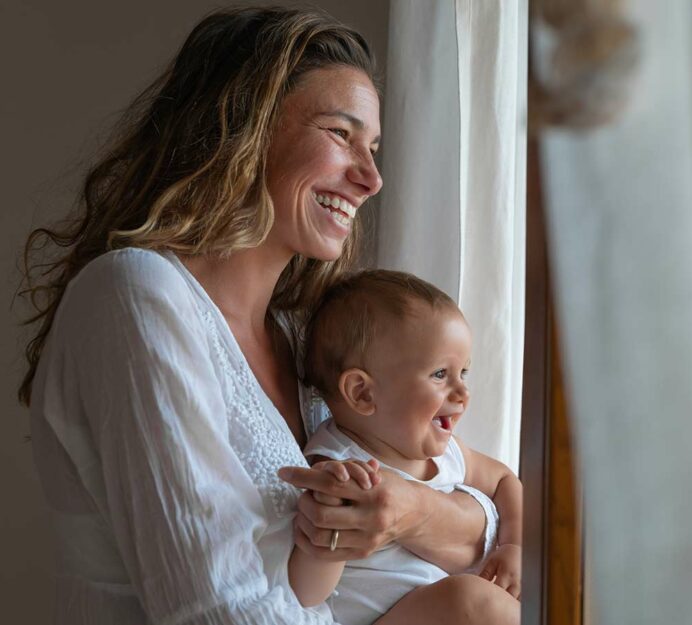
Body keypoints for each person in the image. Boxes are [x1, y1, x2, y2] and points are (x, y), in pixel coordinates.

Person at [18, 7, 502, 625]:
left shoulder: (308, 340)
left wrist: (409, 512)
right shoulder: (136, 295)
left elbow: (476, 532)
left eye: (373, 146)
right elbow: (218, 607)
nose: (371, 177)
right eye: (340, 133)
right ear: (244, 130)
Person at [292, 269, 522, 625]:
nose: (462, 394)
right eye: (440, 375)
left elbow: (505, 481)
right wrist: (328, 539)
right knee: (473, 601)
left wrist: (514, 546)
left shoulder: (446, 453)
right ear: (363, 393)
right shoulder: (336, 469)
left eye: (464, 373)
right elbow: (305, 595)